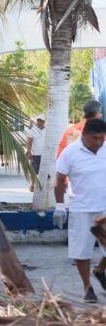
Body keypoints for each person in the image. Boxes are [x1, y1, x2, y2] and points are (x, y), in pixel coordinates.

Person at [54, 119, 106, 303]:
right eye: (95, 138)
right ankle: (87, 287)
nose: (99, 142)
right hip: (81, 208)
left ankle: (99, 270)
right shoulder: (70, 153)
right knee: (82, 251)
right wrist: (60, 205)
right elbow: (60, 180)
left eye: (102, 138)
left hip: (104, 207)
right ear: (84, 135)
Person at [27, 114, 46, 192]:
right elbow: (29, 142)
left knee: (44, 172)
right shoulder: (32, 130)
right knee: (33, 171)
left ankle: (43, 186)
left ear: (44, 122)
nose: (39, 122)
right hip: (35, 154)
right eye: (38, 120)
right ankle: (32, 185)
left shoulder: (47, 130)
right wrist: (29, 152)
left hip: (45, 154)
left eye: (41, 120)